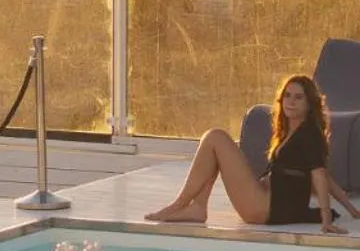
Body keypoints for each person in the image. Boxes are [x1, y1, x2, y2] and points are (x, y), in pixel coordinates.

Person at [146, 75, 347, 232]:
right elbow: (325, 176)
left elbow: (319, 175)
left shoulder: (309, 135)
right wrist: (352, 209)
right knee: (215, 145)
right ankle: (197, 206)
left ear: (309, 104)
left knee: (215, 137)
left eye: (298, 97)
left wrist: (326, 218)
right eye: (287, 95)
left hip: (265, 209)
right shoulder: (294, 132)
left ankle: (179, 205)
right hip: (266, 204)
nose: (291, 102)